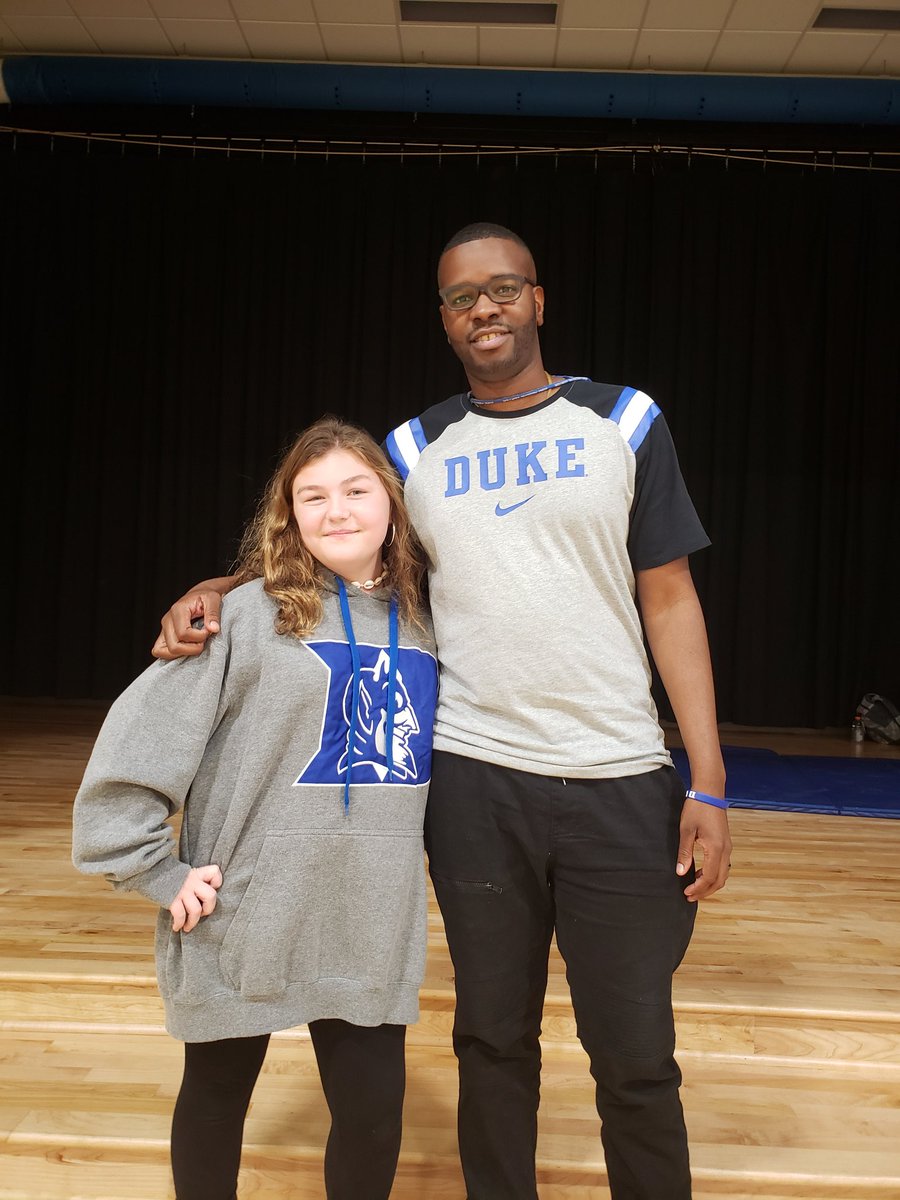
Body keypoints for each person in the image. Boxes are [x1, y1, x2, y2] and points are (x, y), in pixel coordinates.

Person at [154, 223, 732, 1200]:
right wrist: (220, 582)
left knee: (635, 1057)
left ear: (538, 300)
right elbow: (324, 540)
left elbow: (669, 596)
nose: (486, 310)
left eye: (503, 290)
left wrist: (709, 785)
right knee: (492, 1043)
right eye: (464, 299)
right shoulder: (418, 448)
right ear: (445, 320)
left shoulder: (624, 420)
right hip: (472, 785)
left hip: (621, 780)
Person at [73, 416, 439, 1200]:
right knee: (215, 1100)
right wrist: (157, 872)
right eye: (313, 496)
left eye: (355, 489)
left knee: (374, 1115)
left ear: (392, 505)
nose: (336, 510)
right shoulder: (240, 617)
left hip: (369, 914)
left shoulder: (427, 623)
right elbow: (135, 750)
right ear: (290, 516)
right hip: (246, 913)